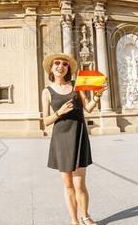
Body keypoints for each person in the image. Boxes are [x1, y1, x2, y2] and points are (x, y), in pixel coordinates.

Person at [41, 53, 104, 225]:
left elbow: (89, 108)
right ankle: (74, 220)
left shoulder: (77, 86)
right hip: (61, 140)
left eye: (64, 64)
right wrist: (59, 113)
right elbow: (45, 122)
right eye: (57, 63)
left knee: (80, 184)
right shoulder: (47, 92)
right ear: (52, 68)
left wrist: (97, 96)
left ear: (68, 68)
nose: (60, 66)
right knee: (68, 184)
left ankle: (86, 216)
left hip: (78, 136)